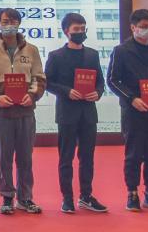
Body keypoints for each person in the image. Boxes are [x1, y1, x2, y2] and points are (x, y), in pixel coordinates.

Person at [0, 8, 46, 215]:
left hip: (25, 113)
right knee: (4, 157)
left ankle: (25, 198)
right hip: (1, 113)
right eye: (5, 21)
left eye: (13, 21)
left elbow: (39, 78)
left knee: (26, 158)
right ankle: (7, 197)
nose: (9, 25)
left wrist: (32, 96)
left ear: (19, 24)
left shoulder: (31, 50)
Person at [107, 8, 148, 212]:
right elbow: (113, 80)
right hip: (133, 110)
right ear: (133, 27)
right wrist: (132, 99)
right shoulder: (121, 51)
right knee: (134, 154)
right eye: (144, 27)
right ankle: (132, 193)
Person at [43, 13, 107, 214]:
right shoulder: (56, 56)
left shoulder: (92, 55)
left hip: (88, 113)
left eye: (83, 29)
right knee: (66, 158)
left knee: (87, 158)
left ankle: (86, 196)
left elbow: (100, 81)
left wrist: (98, 92)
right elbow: (48, 83)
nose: (80, 32)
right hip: (67, 113)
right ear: (66, 31)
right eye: (76, 29)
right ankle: (67, 198)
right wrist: (66, 91)